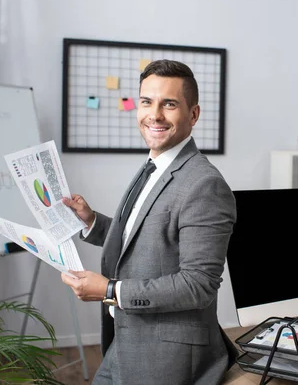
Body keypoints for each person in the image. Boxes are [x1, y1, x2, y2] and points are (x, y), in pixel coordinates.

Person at [61, 59, 238, 385]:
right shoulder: (156, 166)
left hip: (166, 356)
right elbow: (149, 236)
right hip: (127, 338)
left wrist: (111, 290)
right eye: (146, 102)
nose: (154, 115)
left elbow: (198, 285)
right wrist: (92, 222)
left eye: (169, 104)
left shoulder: (204, 185)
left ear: (193, 114)